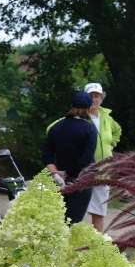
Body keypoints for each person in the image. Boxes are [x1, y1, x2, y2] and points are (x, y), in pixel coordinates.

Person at [43, 91, 97, 223]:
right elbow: (86, 159)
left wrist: (55, 172)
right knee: (73, 222)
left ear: (71, 106)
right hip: (81, 180)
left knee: (58, 220)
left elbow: (47, 154)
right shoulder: (89, 129)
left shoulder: (56, 127)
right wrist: (67, 173)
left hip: (58, 180)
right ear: (89, 108)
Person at [82, 83, 122, 232]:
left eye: (96, 96)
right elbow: (55, 128)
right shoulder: (79, 116)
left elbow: (117, 130)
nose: (94, 99)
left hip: (104, 170)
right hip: (83, 170)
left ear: (101, 98)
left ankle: (97, 241)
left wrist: (111, 145)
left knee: (99, 212)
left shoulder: (106, 117)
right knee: (76, 210)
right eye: (90, 96)